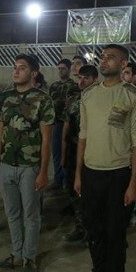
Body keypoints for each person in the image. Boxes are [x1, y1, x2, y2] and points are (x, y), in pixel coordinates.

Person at [73, 44, 136, 272]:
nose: (104, 61)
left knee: (115, 233)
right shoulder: (89, 95)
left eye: (111, 57)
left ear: (124, 63)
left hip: (118, 175)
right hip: (92, 173)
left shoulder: (134, 97)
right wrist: (78, 174)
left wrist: (134, 184)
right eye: (103, 57)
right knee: (94, 230)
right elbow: (82, 137)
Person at [0, 53, 54, 272]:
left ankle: (29, 257)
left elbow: (46, 138)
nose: (16, 70)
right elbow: (0, 132)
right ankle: (16, 254)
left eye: (22, 67)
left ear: (33, 73)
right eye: (15, 67)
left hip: (30, 166)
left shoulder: (42, 99)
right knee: (12, 213)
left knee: (31, 215)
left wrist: (43, 172)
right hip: (7, 164)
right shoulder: (6, 98)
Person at [61, 64, 98, 242]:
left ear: (94, 80)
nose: (82, 81)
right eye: (80, 78)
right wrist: (62, 154)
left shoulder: (100, 101)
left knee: (91, 192)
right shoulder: (74, 101)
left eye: (86, 78)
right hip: (73, 151)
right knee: (73, 190)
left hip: (93, 153)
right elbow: (66, 129)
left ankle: (92, 230)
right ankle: (80, 227)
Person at [49, 58, 75, 190]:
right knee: (56, 153)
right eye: (59, 68)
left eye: (63, 68)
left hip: (67, 123)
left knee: (66, 153)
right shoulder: (54, 86)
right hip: (55, 123)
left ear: (69, 69)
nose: (60, 71)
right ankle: (58, 179)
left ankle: (66, 180)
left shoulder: (73, 86)